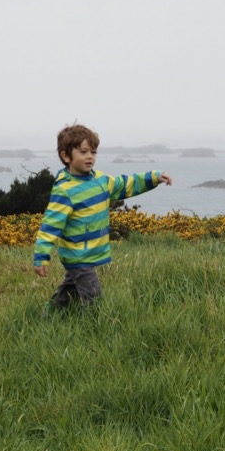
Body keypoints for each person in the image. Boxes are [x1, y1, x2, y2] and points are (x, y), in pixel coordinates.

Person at [33, 123, 172, 311]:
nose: (90, 156)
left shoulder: (100, 180)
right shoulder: (65, 191)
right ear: (66, 156)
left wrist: (153, 177)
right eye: (83, 152)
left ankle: (52, 313)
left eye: (93, 152)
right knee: (93, 297)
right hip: (78, 254)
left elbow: (125, 185)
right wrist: (42, 256)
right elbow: (50, 225)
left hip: (89, 252)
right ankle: (93, 325)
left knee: (70, 289)